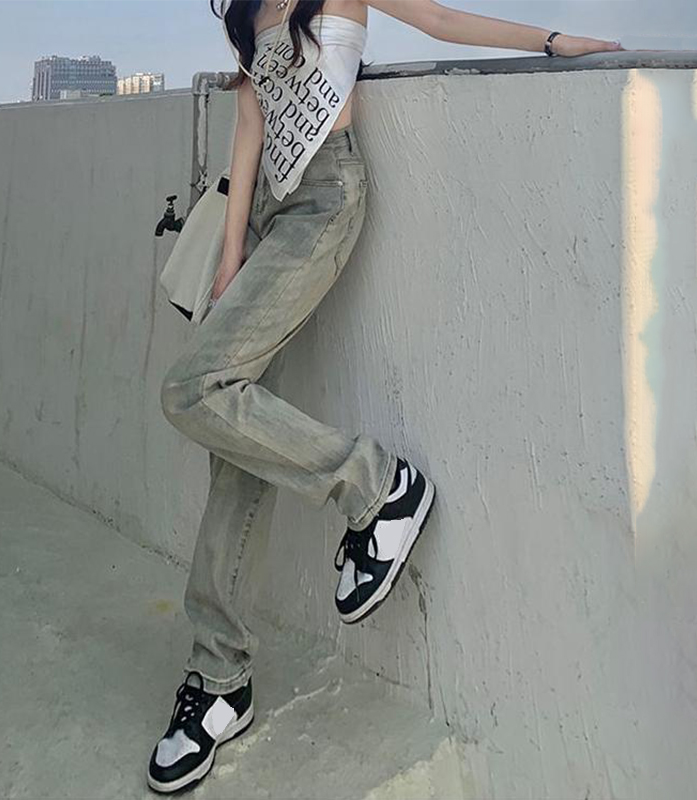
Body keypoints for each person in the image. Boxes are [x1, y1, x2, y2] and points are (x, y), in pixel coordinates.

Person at [147, 0, 624, 792]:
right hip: (264, 220)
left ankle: (377, 486)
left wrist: (552, 40)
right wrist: (230, 255)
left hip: (324, 204)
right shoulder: (250, 9)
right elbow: (251, 119)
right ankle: (220, 680)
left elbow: (437, 21)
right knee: (233, 444)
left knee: (193, 390)